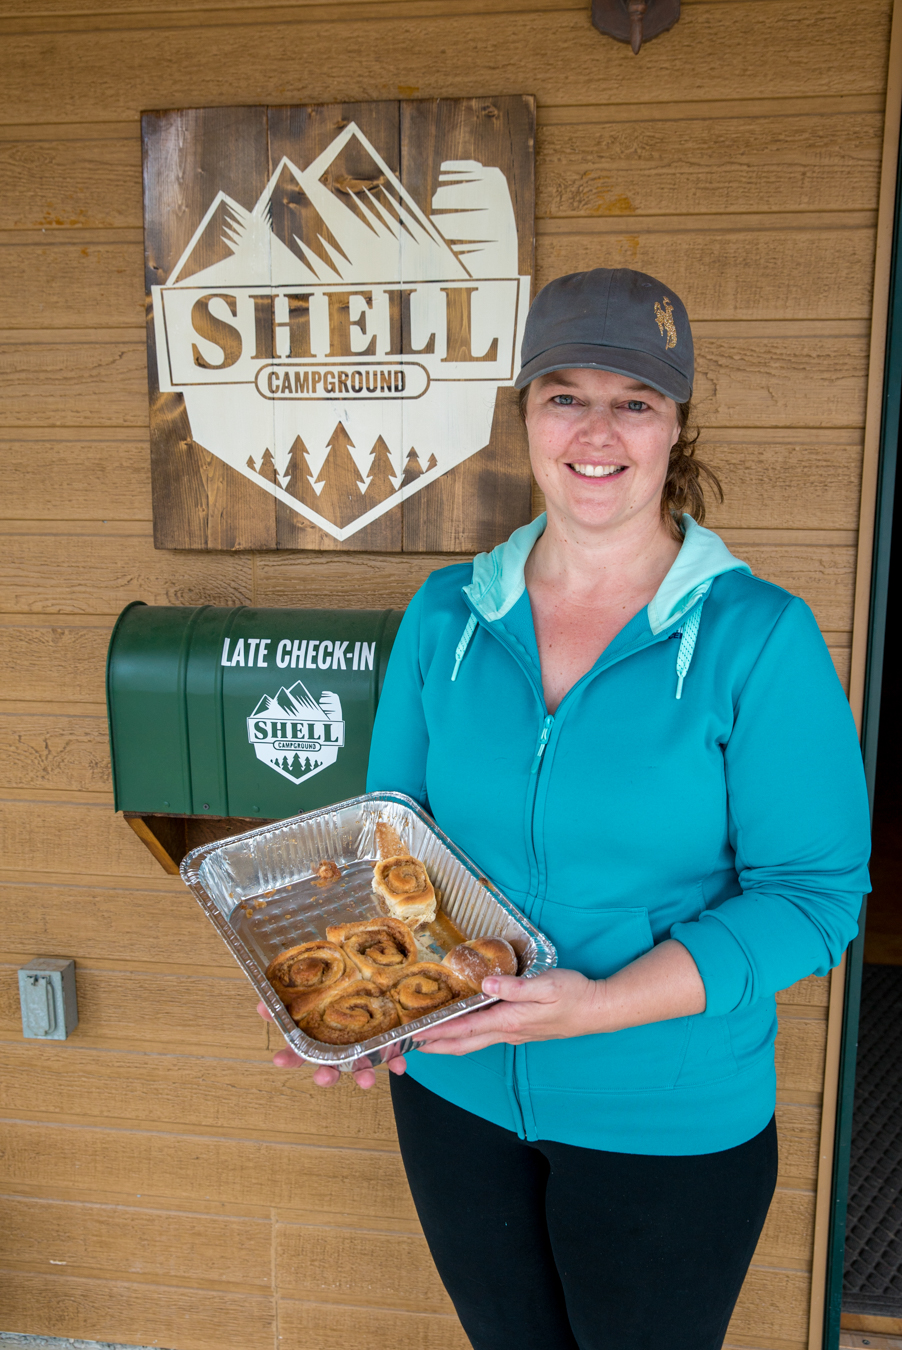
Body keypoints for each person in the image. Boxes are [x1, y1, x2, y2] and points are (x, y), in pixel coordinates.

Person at [261, 268, 871, 1350]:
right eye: (564, 395)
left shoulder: (754, 639)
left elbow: (812, 899)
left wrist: (598, 1004)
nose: (597, 430)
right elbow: (386, 848)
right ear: (526, 417)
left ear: (674, 426)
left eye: (632, 399)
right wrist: (346, 993)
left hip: (666, 1118)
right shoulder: (446, 614)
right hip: (458, 1102)